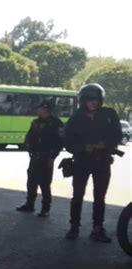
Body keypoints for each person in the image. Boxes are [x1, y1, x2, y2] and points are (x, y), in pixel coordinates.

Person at [64, 83, 122, 242]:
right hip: (82, 162)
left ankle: (98, 228)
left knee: (100, 197)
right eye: (90, 99)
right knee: (77, 196)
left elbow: (117, 135)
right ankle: (74, 227)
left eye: (96, 99)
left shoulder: (109, 114)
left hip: (102, 162)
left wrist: (106, 144)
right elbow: (68, 142)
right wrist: (83, 147)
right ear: (83, 100)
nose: (93, 102)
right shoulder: (75, 118)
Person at [16, 100, 64, 217]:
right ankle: (29, 204)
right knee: (31, 181)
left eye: (40, 109)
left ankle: (45, 208)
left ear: (46, 109)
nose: (38, 111)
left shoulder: (56, 123)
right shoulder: (36, 122)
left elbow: (60, 142)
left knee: (44, 182)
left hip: (47, 156)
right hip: (35, 155)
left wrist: (53, 156)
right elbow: (30, 136)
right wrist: (28, 146)